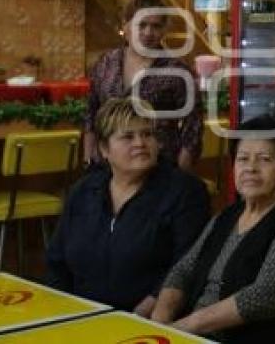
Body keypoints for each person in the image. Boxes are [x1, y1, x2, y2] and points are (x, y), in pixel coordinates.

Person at [152, 115, 275, 344]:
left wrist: (182, 328)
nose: (251, 168)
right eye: (242, 158)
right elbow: (184, 270)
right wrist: (159, 322)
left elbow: (261, 297)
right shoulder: (227, 216)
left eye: (265, 159)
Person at [45, 97, 209, 315]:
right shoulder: (83, 191)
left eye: (147, 134)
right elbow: (57, 262)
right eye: (128, 137)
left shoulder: (184, 191)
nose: (140, 143)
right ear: (104, 149)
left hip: (148, 318)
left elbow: (187, 266)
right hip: (82, 315)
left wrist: (142, 313)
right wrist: (66, 312)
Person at [85, 0, 202, 171]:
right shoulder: (106, 64)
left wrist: (180, 173)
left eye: (155, 26)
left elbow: (193, 126)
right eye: (142, 25)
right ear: (127, 26)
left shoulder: (177, 71)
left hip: (158, 167)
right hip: (109, 164)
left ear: (163, 30)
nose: (148, 33)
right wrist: (89, 159)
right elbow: (91, 112)